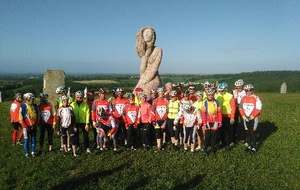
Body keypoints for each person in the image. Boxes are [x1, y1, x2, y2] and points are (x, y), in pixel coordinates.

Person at [134, 26, 162, 98]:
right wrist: (142, 79)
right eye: (144, 33)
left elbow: (154, 68)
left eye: (148, 33)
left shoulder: (158, 49)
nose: (146, 35)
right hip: (143, 77)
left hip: (152, 78)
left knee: (146, 94)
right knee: (135, 95)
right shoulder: (143, 51)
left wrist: (145, 80)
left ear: (153, 35)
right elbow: (142, 68)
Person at [91, 88, 118, 153]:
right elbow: (93, 111)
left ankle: (104, 145)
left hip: (106, 119)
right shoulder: (96, 102)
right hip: (98, 120)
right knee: (99, 134)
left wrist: (108, 115)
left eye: (104, 94)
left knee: (105, 134)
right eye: (102, 94)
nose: (103, 95)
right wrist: (93, 120)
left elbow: (111, 111)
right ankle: (99, 147)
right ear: (99, 94)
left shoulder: (108, 101)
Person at [239, 84, 262, 153]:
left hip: (253, 118)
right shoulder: (243, 98)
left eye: (250, 90)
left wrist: (253, 116)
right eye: (246, 90)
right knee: (248, 132)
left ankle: (254, 147)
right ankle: (249, 145)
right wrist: (243, 116)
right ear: (245, 91)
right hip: (245, 117)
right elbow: (240, 108)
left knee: (252, 132)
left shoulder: (256, 98)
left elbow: (258, 109)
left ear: (252, 90)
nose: (248, 92)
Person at [215, 82, 236, 150]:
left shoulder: (230, 96)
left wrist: (232, 117)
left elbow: (233, 107)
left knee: (227, 131)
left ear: (226, 89)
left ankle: (227, 144)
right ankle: (223, 143)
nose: (221, 92)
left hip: (228, 115)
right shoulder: (216, 96)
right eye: (220, 91)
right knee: (221, 130)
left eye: (223, 91)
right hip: (219, 115)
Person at [202, 88, 222, 156]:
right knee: (207, 136)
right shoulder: (205, 103)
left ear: (213, 95)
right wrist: (204, 123)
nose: (210, 96)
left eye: (211, 95)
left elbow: (219, 112)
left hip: (215, 120)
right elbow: (203, 114)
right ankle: (205, 150)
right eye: (209, 95)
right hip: (208, 121)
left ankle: (213, 149)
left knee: (213, 136)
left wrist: (220, 121)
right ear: (207, 95)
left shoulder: (217, 102)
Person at [19, 93, 39, 157]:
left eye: (33, 99)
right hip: (26, 127)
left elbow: (38, 116)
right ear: (27, 99)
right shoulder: (23, 106)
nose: (33, 101)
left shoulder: (35, 106)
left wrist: (36, 124)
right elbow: (20, 118)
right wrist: (24, 126)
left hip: (33, 126)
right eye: (31, 99)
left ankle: (33, 151)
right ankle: (27, 153)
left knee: (33, 139)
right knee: (26, 139)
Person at [56, 86, 72, 151]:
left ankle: (68, 145)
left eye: (59, 93)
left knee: (68, 133)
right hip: (61, 117)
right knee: (62, 133)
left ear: (63, 92)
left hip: (68, 117)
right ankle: (62, 145)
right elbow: (58, 108)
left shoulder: (69, 98)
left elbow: (70, 107)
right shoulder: (58, 99)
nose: (58, 95)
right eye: (58, 94)